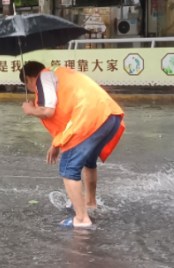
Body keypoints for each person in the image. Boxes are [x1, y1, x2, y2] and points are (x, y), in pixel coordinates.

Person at [20, 61, 125, 228]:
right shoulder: (60, 73)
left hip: (89, 118)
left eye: (28, 87)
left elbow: (48, 111)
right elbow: (66, 116)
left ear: (28, 78)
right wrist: (55, 145)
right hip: (109, 115)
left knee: (69, 168)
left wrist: (29, 110)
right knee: (88, 161)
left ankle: (82, 219)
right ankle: (90, 202)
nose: (33, 92)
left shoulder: (43, 77)